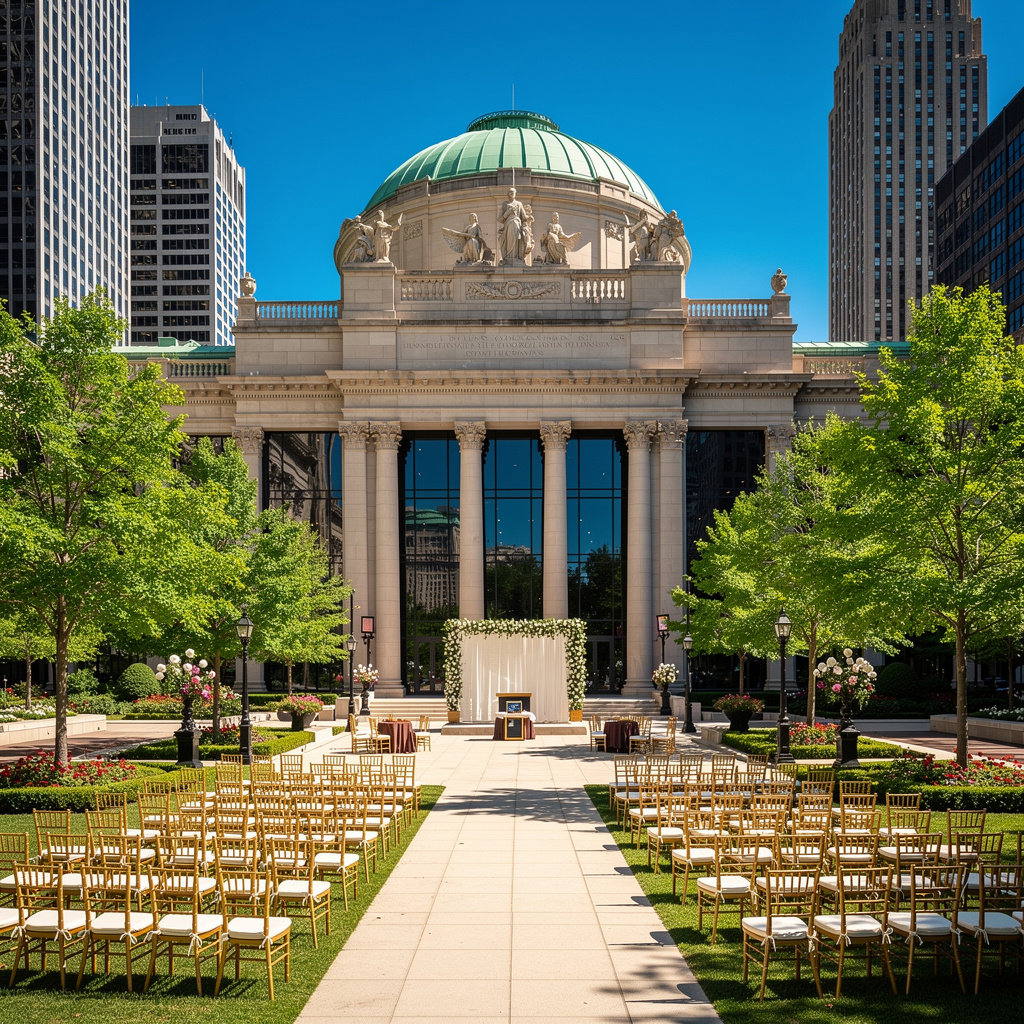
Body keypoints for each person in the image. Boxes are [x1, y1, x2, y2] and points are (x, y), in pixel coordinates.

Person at [499, 187, 528, 263]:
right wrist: (507, 213)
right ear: (507, 194)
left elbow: (524, 216)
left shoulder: (519, 204)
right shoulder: (505, 204)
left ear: (515, 194)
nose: (511, 194)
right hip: (508, 224)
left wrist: (529, 218)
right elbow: (500, 219)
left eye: (512, 192)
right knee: (510, 240)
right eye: (509, 192)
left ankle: (516, 257)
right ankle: (509, 257)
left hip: (517, 224)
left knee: (516, 240)